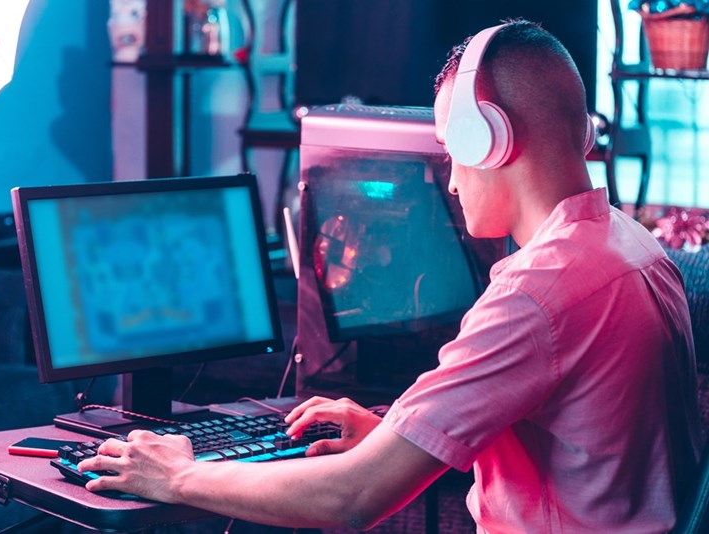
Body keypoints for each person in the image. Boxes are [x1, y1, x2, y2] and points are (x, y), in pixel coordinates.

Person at [78, 20, 702, 532]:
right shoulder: (634, 246)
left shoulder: (535, 296)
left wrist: (180, 475)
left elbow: (353, 499)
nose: (452, 182)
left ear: (491, 141)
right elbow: (585, 454)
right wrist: (398, 438)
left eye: (451, 151)